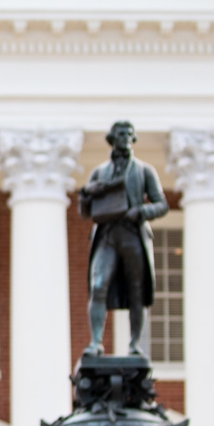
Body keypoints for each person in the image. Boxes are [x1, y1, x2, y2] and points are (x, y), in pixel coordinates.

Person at [78, 120, 170, 356]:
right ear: (112, 139)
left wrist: (140, 212)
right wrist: (87, 193)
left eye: (130, 134)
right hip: (107, 235)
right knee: (98, 285)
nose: (126, 137)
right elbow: (84, 211)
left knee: (136, 290)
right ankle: (96, 342)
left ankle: (134, 345)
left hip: (133, 234)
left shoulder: (144, 170)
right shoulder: (100, 171)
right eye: (121, 134)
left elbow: (161, 204)